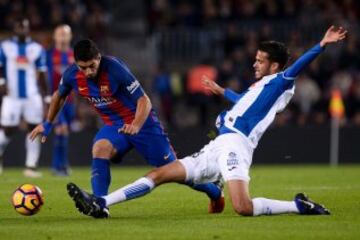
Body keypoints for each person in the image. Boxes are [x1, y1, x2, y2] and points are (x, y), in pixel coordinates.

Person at [65, 26, 346, 218]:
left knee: (243, 207)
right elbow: (242, 101)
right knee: (160, 174)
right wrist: (222, 91)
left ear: (275, 66)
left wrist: (320, 45)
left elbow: (297, 67)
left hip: (236, 145)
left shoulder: (281, 82)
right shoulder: (260, 87)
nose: (254, 64)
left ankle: (298, 206)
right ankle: (101, 202)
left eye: (260, 61)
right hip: (217, 143)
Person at [30, 39, 224, 215]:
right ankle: (100, 205)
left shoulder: (114, 68)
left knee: (173, 172)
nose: (88, 71)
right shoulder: (72, 74)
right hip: (115, 126)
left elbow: (144, 100)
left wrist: (136, 124)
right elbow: (59, 95)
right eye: (83, 68)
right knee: (100, 148)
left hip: (144, 124)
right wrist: (47, 123)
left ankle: (214, 191)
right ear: (76, 65)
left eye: (92, 66)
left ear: (99, 57)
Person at [0, 18, 48, 177]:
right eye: (19, 26)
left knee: (34, 129)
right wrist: (1, 82)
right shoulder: (5, 47)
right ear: (14, 28)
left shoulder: (36, 48)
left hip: (31, 96)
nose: (21, 29)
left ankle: (30, 167)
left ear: (28, 29)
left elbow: (42, 74)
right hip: (11, 96)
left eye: (24, 26)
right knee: (8, 129)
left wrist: (46, 97)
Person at [46, 24, 75, 176]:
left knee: (64, 133)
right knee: (60, 129)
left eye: (66, 34)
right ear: (55, 37)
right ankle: (58, 166)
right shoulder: (49, 55)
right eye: (60, 34)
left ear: (70, 37)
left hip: (70, 102)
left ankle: (60, 164)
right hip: (55, 100)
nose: (63, 37)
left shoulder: (73, 55)